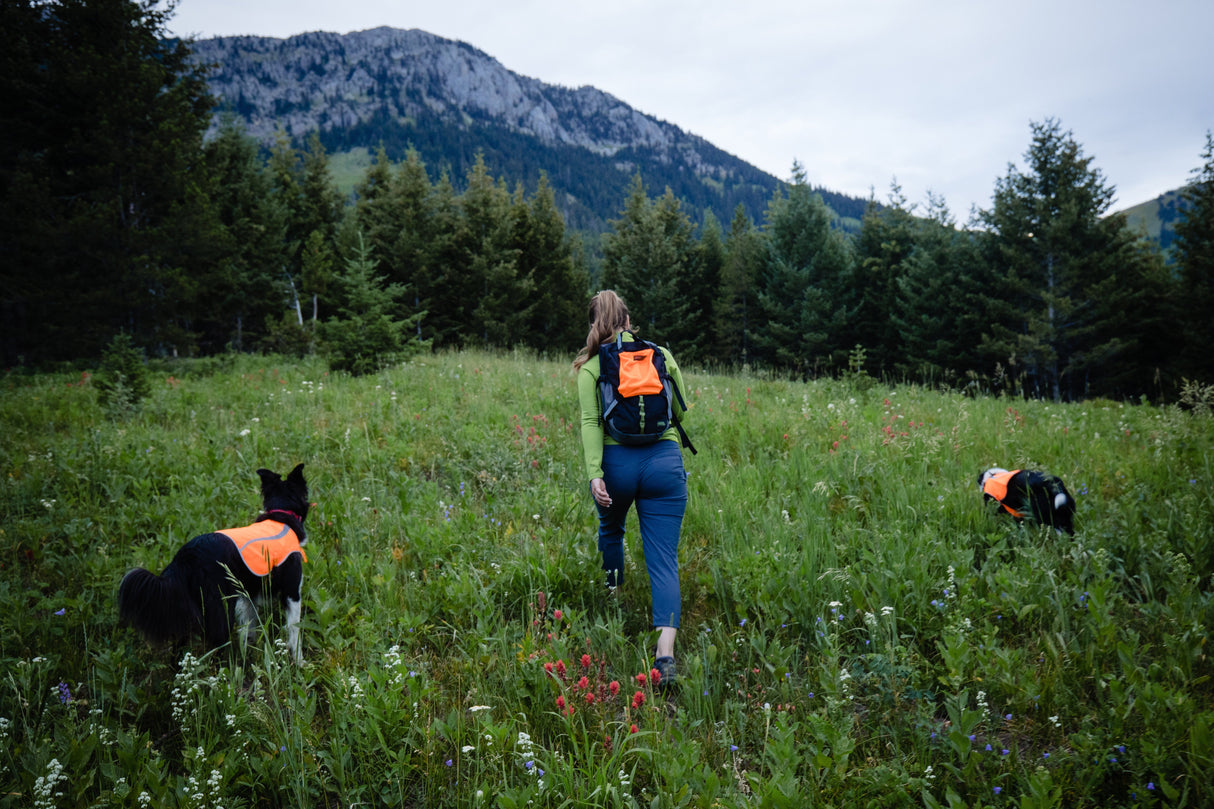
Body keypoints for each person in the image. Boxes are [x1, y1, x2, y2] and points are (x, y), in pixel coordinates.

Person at [573, 290, 690, 687]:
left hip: (616, 466)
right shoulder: (659, 353)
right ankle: (666, 656)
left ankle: (613, 599)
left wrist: (595, 473)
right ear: (627, 318)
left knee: (612, 530)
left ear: (594, 324)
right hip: (665, 465)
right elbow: (680, 407)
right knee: (663, 559)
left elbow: (591, 422)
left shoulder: (591, 367)